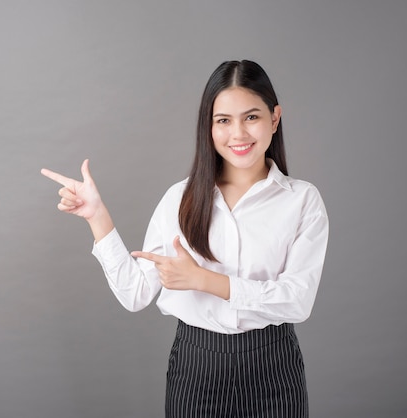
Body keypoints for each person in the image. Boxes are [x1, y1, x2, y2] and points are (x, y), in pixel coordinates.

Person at [41, 60, 329, 418]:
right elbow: (134, 294)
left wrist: (206, 281)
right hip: (197, 366)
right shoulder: (180, 199)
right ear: (208, 127)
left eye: (251, 117)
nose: (238, 133)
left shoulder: (302, 201)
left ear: (274, 118)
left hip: (272, 366)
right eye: (223, 120)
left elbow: (298, 302)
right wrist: (97, 217)